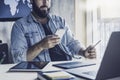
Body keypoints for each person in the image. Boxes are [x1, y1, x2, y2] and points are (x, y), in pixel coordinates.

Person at [11, 0, 96, 63]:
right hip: (44, 72)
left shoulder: (59, 21)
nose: (45, 2)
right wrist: (40, 46)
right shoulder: (19, 26)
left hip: (68, 66)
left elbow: (72, 43)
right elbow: (17, 59)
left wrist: (84, 52)